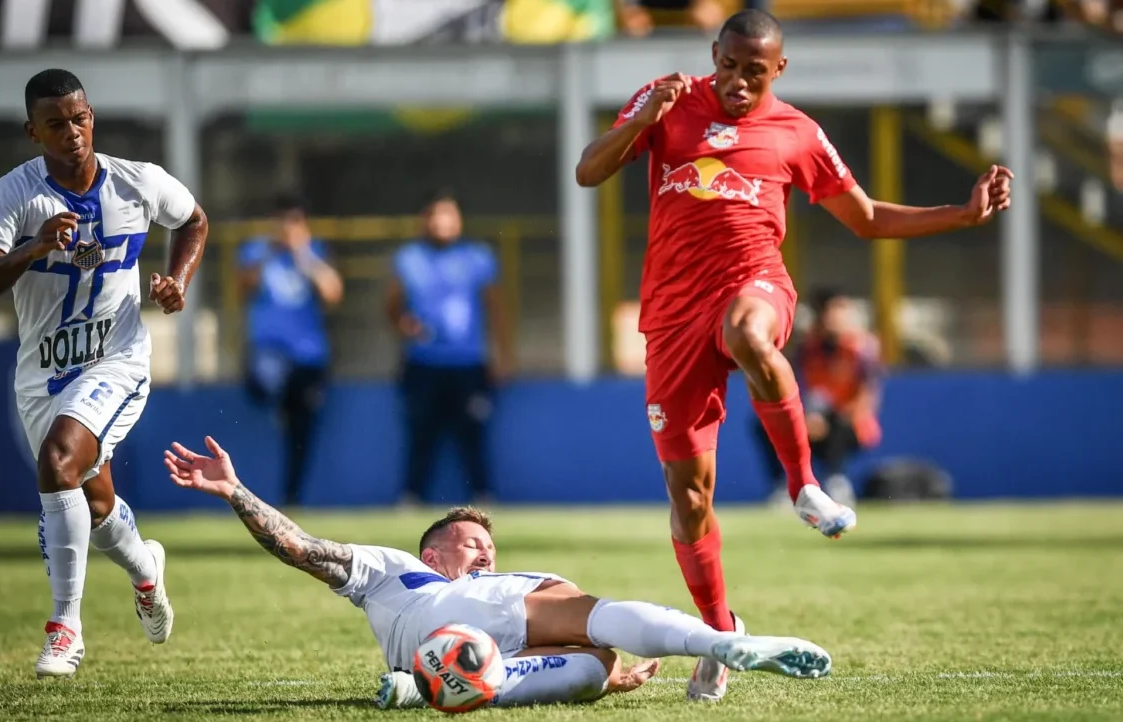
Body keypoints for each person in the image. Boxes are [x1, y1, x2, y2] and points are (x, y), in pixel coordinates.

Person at [574, 8, 1011, 700]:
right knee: (690, 500)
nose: (740, 81)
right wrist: (639, 121)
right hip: (672, 317)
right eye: (729, 65)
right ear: (713, 53)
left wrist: (962, 213)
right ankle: (721, 635)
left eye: (756, 70)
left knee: (750, 334)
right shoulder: (668, 99)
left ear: (779, 69)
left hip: (754, 284)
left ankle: (805, 484)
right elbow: (587, 172)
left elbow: (864, 217)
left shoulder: (797, 133)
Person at [163, 436, 833, 709]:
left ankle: (428, 686)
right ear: (432, 553)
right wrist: (236, 492)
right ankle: (721, 643)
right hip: (469, 625)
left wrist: (610, 672)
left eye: (490, 545)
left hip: (477, 653)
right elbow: (300, 546)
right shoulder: (394, 569)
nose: (484, 552)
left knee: (596, 663)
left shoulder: (435, 592)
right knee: (574, 602)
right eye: (470, 541)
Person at [0, 68, 208, 678]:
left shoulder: (138, 181)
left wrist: (178, 282)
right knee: (95, 506)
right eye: (55, 124)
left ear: (91, 115)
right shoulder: (15, 194)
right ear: (32, 131)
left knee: (57, 462)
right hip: (42, 375)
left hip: (116, 359)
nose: (71, 133)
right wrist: (33, 248)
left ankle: (64, 628)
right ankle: (147, 573)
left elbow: (194, 221)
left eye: (79, 119)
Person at [385, 190, 512, 505]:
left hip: (468, 363)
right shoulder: (409, 259)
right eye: (435, 215)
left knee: (473, 432)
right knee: (420, 433)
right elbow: (392, 306)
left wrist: (503, 354)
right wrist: (405, 325)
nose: (441, 222)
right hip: (423, 362)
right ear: (424, 220)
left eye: (448, 215)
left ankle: (483, 495)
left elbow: (496, 307)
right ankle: (412, 497)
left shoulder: (478, 257)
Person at [239, 193, 343, 507]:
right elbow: (243, 287)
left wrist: (303, 254)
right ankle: (279, 405)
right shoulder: (256, 252)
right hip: (270, 352)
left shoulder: (316, 252)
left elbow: (332, 294)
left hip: (308, 356)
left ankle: (291, 497)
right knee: (263, 381)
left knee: (302, 431)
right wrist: (271, 253)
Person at [754, 288, 883, 508]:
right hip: (810, 418)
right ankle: (785, 484)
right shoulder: (807, 349)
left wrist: (831, 415)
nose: (833, 319)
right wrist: (807, 415)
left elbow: (867, 397)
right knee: (765, 424)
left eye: (839, 312)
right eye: (827, 313)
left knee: (840, 423)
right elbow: (793, 386)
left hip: (848, 424)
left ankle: (836, 481)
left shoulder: (861, 349)